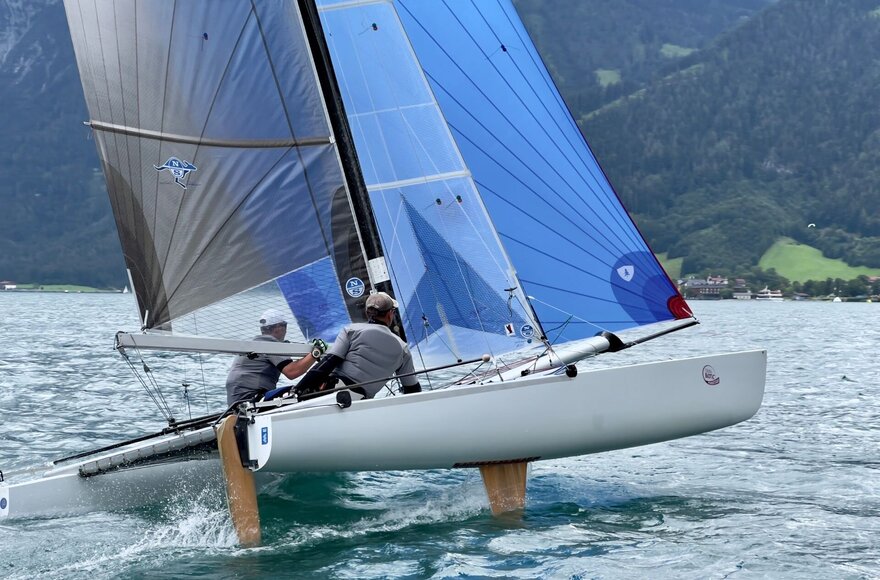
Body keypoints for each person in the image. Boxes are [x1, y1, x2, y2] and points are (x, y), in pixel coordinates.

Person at [294, 292, 421, 399]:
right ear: (390, 314)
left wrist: (297, 390)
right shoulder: (403, 348)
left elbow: (329, 362)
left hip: (330, 392)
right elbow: (412, 388)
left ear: (367, 313)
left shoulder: (351, 330)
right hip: (360, 403)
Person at [224, 309, 326, 405]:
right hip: (250, 399)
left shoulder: (258, 342)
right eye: (285, 326)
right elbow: (292, 371)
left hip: (237, 401)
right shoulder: (269, 344)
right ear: (278, 327)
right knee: (300, 393)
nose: (286, 330)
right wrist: (316, 352)